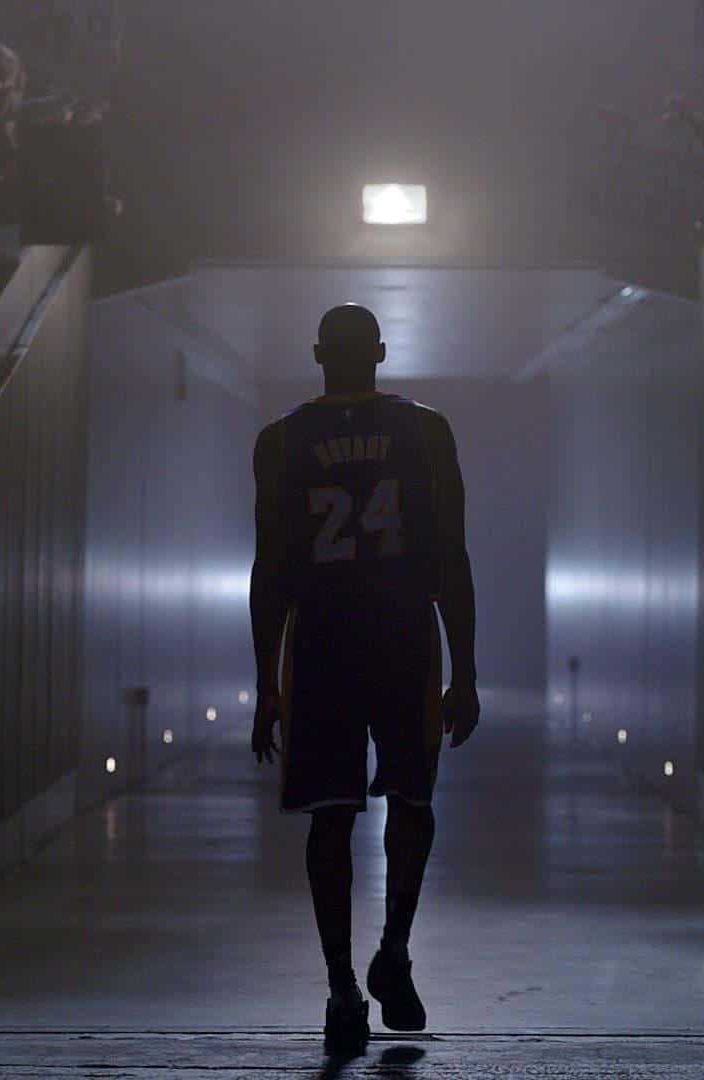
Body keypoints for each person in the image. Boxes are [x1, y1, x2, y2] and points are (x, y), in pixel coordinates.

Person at [248, 304, 481, 1057]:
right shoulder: (425, 429)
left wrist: (266, 682)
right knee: (413, 801)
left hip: (321, 646)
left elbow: (271, 571)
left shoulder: (280, 442)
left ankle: (341, 987)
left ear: (317, 353)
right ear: (381, 352)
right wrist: (467, 667)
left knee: (331, 817)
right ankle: (395, 950)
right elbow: (453, 558)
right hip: (404, 641)